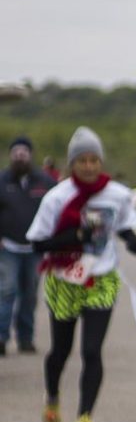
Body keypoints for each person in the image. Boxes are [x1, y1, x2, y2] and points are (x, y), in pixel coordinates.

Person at [26, 126, 136, 422]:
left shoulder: (117, 194)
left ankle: (84, 418)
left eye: (94, 160)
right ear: (72, 163)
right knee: (61, 352)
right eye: (82, 160)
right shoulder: (57, 198)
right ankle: (52, 395)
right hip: (65, 278)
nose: (89, 166)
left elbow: (124, 224)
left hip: (101, 278)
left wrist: (131, 240)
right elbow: (37, 244)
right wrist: (75, 237)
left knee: (92, 350)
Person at [0, 137, 56, 355]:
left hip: (35, 248)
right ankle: (2, 337)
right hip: (8, 247)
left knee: (30, 293)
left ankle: (26, 338)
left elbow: (56, 210)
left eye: (24, 151)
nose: (20, 155)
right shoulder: (2, 181)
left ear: (31, 155)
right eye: (16, 151)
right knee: (7, 290)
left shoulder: (44, 182)